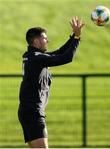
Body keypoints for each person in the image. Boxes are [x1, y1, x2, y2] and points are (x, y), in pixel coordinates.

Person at [18, 17, 85, 148]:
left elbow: (60, 52)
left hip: (29, 111)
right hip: (33, 113)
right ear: (36, 41)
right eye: (44, 38)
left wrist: (74, 37)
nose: (47, 40)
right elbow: (67, 57)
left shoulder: (33, 56)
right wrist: (76, 38)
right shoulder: (36, 58)